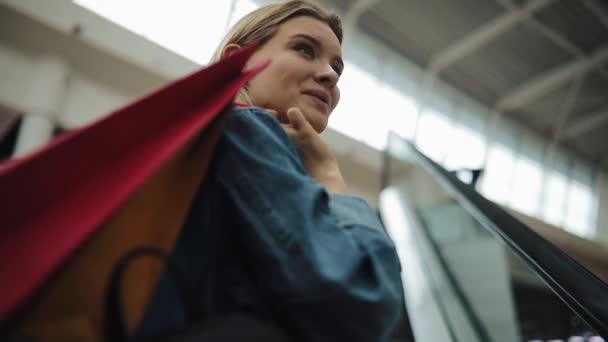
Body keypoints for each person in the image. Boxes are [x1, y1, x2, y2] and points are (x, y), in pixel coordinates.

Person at [136, 1, 404, 341]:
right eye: (305, 50)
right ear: (239, 61)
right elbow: (363, 301)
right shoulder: (245, 129)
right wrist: (328, 175)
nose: (330, 75)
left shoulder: (209, 143)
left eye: (337, 68)